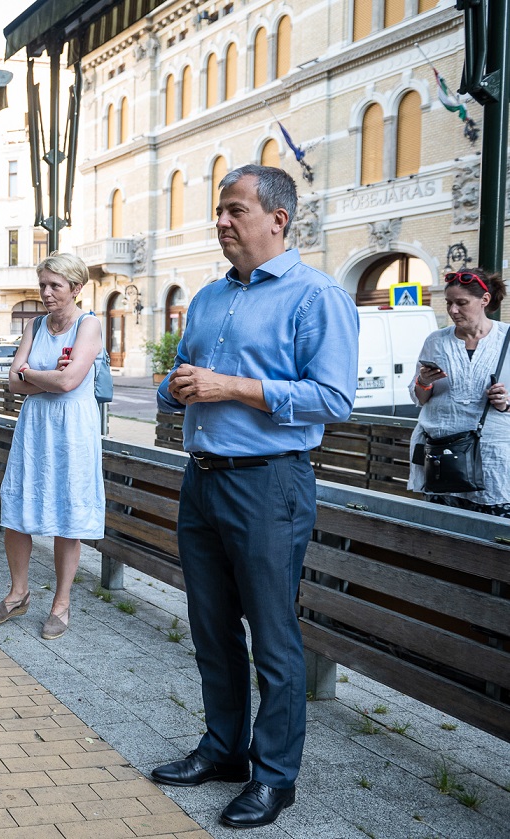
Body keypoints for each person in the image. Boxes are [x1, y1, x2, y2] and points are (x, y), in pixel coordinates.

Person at [152, 165, 358, 828]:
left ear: (278, 217)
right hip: (203, 478)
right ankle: (224, 750)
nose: (222, 221)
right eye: (220, 210)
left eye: (235, 209)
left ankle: (275, 776)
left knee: (273, 637)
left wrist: (230, 387)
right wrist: (178, 386)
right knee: (211, 628)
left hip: (270, 481)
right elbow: (178, 379)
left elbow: (333, 399)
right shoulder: (212, 297)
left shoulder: (315, 295)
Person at [0, 252, 104, 641]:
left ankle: (61, 603)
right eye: (43, 285)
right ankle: (19, 593)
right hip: (35, 427)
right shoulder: (35, 325)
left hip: (72, 429)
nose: (47, 292)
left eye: (55, 285)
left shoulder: (89, 325)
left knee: (67, 515)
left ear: (76, 288)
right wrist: (49, 376)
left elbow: (67, 383)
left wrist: (32, 372)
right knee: (17, 509)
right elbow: (13, 384)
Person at [409, 268, 510, 517]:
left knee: (493, 537)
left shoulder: (507, 338)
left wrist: (505, 401)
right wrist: (423, 382)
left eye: (461, 303)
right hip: (441, 456)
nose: (453, 310)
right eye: (449, 303)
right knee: (443, 535)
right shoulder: (436, 341)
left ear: (484, 300)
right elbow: (420, 398)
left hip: (492, 459)